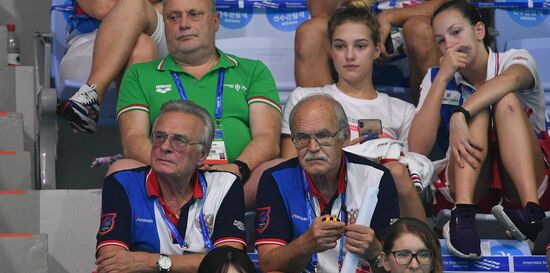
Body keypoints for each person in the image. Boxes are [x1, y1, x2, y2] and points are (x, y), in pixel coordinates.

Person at [409, 0, 549, 259]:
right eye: (440, 40)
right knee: (479, 113)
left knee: (500, 98)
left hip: (527, 183)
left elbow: (513, 79)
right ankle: (463, 216)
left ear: (479, 31)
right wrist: (441, 79)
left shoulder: (513, 59)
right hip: (472, 187)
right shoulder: (436, 76)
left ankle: (532, 213)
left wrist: (460, 114)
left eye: (455, 32)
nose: (448, 45)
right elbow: (417, 148)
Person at [114, 0, 282, 208]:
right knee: (120, 170)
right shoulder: (140, 74)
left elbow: (267, 138)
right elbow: (133, 139)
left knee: (279, 171)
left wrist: (235, 169)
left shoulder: (253, 71)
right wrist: (179, 170)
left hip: (237, 181)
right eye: (173, 17)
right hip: (167, 182)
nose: (183, 24)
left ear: (216, 21)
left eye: (194, 14)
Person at [282, 0, 426, 221]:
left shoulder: (403, 111)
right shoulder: (305, 97)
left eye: (360, 46)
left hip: (380, 209)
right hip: (318, 205)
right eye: (340, 46)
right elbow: (289, 169)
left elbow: (410, 179)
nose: (349, 56)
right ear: (330, 50)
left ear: (377, 49)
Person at [95, 100, 246, 273]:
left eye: (179, 140)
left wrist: (153, 262)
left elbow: (230, 262)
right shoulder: (122, 184)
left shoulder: (224, 186)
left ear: (202, 154)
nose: (165, 146)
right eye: (159, 137)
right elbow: (112, 263)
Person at [255, 94, 400, 273]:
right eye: (302, 138)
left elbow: (399, 267)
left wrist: (375, 252)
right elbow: (269, 265)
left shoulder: (376, 178)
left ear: (345, 136)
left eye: (323, 136)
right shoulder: (276, 180)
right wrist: (305, 244)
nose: (313, 148)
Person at [295, 0, 442, 104]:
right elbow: (319, 11)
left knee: (419, 29)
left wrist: (392, 16)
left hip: (413, 27)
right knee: (310, 33)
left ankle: (433, 127)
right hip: (354, 29)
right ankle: (323, 123)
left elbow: (454, 4)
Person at [57, 0, 167, 133]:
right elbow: (103, 6)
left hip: (162, 31)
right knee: (142, 45)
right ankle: (137, 144)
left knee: (133, 5)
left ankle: (91, 94)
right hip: (91, 42)